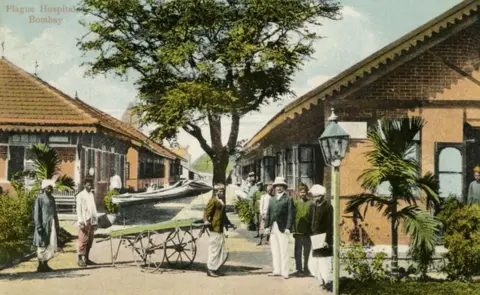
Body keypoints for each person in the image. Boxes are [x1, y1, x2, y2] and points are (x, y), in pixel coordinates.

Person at [265, 176, 295, 279]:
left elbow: (291, 214)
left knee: (284, 249)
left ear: (284, 187)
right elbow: (268, 213)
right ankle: (276, 270)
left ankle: (285, 271)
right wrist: (267, 227)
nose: (279, 188)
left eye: (281, 186)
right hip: (273, 227)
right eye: (277, 186)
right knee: (275, 249)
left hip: (283, 227)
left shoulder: (288, 199)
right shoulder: (272, 199)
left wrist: (288, 227)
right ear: (274, 187)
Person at [203, 183, 236, 277]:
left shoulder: (220, 201)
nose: (221, 192)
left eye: (222, 191)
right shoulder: (213, 200)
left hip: (220, 228)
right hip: (214, 227)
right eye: (219, 191)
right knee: (214, 249)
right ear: (215, 192)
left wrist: (230, 224)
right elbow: (206, 212)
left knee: (220, 249)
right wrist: (205, 221)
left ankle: (215, 268)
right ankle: (210, 269)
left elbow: (223, 216)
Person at [307, 184, 333, 290]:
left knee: (323, 261)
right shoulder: (313, 206)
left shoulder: (328, 207)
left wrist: (327, 240)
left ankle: (325, 281)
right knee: (314, 262)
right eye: (314, 196)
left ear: (322, 196)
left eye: (317, 196)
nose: (315, 198)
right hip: (314, 236)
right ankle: (320, 279)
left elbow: (329, 225)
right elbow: (309, 219)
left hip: (323, 237)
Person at [33, 179, 62, 272]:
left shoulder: (52, 198)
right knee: (42, 244)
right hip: (43, 225)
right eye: (48, 188)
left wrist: (57, 224)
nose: (50, 190)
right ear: (44, 188)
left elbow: (55, 213)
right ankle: (40, 265)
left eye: (51, 188)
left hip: (51, 225)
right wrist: (39, 226)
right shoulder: (40, 198)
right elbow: (37, 214)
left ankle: (45, 264)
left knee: (50, 244)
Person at [76, 179, 98, 267]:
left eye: (91, 185)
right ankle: (80, 259)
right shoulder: (80, 195)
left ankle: (87, 258)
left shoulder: (91, 194)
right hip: (84, 220)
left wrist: (95, 219)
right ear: (84, 185)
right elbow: (79, 210)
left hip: (91, 220)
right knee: (82, 240)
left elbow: (93, 208)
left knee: (90, 240)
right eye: (88, 185)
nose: (90, 187)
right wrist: (81, 221)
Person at [292, 183, 312, 277]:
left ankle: (306, 269)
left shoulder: (310, 203)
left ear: (307, 193)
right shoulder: (295, 203)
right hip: (298, 231)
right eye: (301, 192)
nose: (303, 194)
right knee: (298, 251)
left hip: (307, 231)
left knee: (307, 251)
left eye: (304, 192)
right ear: (298, 193)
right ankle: (299, 269)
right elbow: (292, 216)